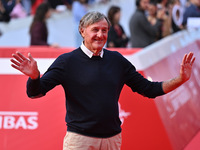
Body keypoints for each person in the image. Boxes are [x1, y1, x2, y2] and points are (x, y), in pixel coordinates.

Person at [10, 11, 195, 150]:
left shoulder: (117, 60)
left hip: (112, 140)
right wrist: (35, 76)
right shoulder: (66, 62)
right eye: (95, 30)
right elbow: (36, 93)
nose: (100, 35)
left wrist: (180, 79)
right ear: (82, 31)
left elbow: (149, 89)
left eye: (104, 30)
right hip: (80, 141)